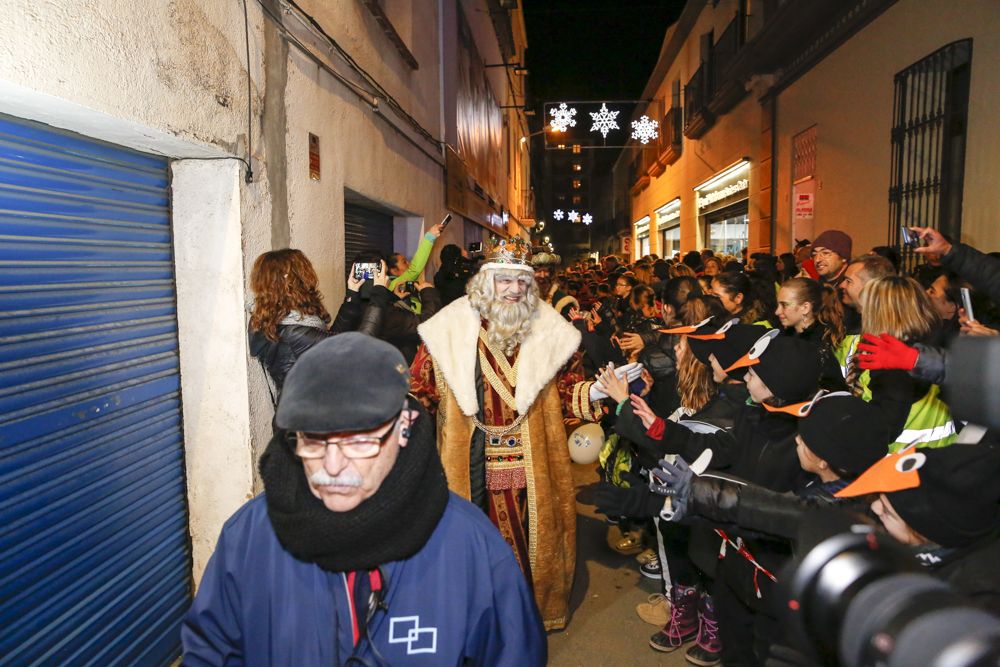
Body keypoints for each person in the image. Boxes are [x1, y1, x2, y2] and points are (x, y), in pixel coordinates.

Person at [182, 334, 546, 665]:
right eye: (313, 440)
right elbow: (209, 651)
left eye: (359, 441)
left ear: (404, 427)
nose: (333, 465)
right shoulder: (249, 538)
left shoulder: (471, 547)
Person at [409, 236, 639, 630]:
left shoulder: (551, 331)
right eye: (505, 281)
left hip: (534, 465)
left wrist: (596, 390)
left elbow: (568, 390)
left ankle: (524, 619)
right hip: (470, 463)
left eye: (522, 282)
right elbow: (421, 390)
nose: (514, 290)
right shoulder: (449, 329)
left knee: (531, 542)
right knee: (473, 546)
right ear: (485, 284)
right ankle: (478, 621)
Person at [248, 249, 384, 393]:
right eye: (303, 270)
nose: (309, 276)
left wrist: (352, 293)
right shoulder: (293, 332)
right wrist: (379, 296)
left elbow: (331, 338)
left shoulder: (275, 320)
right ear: (289, 278)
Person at [386, 220, 446, 291]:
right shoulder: (395, 284)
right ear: (394, 271)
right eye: (404, 262)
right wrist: (430, 237)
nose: (409, 263)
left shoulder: (408, 284)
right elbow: (414, 270)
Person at [532, 251, 579, 319]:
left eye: (546, 271)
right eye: (538, 271)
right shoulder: (524, 296)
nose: (542, 276)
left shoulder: (561, 299)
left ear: (551, 274)